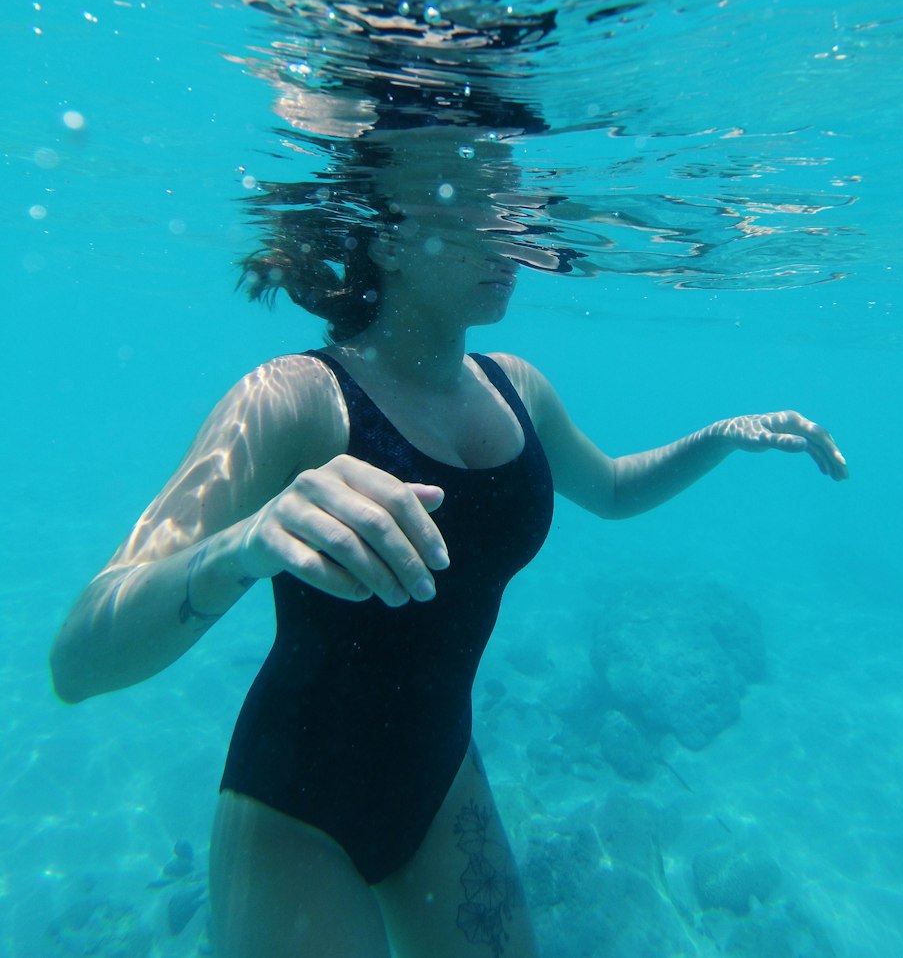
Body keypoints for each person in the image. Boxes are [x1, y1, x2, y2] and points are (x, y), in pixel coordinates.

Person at [50, 132, 848, 958]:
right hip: (294, 810)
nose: (516, 221)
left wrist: (718, 437)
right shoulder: (293, 400)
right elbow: (78, 659)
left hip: (442, 784)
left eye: (516, 192)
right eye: (475, 192)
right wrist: (239, 550)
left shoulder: (517, 386)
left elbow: (610, 488)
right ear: (385, 232)